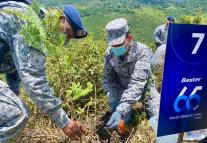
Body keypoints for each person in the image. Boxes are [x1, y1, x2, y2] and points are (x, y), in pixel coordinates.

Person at [0, 1, 87, 142]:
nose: (65, 41)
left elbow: (13, 68)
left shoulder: (29, 15)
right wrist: (64, 122)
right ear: (61, 20)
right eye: (67, 34)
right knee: (16, 114)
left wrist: (13, 95)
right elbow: (35, 84)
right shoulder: (33, 28)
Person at [102, 18, 160, 129]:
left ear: (129, 38)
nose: (115, 48)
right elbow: (107, 79)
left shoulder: (142, 52)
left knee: (159, 116)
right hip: (121, 90)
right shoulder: (110, 53)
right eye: (112, 45)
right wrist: (113, 98)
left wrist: (120, 109)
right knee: (123, 121)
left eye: (118, 44)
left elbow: (138, 82)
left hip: (145, 89)